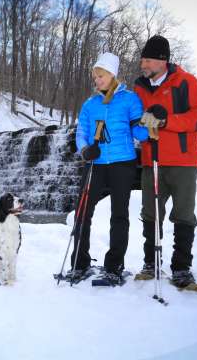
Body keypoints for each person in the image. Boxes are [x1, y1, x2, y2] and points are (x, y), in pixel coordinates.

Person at [134, 35, 197, 287]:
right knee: (150, 214)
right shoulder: (140, 88)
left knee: (183, 214)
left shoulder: (187, 83)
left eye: (147, 59)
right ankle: (150, 263)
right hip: (150, 160)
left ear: (162, 61)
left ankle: (181, 268)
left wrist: (168, 121)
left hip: (183, 162)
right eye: (142, 59)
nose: (142, 64)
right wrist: (143, 122)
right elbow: (136, 119)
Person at [69, 52, 148, 286]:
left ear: (112, 74)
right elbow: (81, 132)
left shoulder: (129, 100)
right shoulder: (90, 104)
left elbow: (141, 133)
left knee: (119, 215)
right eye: (95, 76)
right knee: (82, 212)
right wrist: (84, 150)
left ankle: (114, 266)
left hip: (123, 163)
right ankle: (79, 263)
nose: (97, 80)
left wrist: (152, 121)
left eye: (100, 76)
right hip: (96, 163)